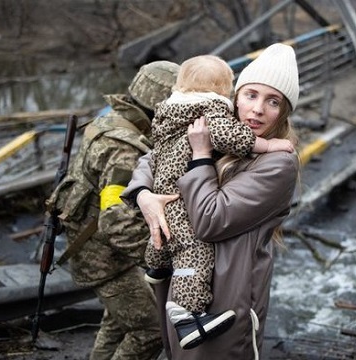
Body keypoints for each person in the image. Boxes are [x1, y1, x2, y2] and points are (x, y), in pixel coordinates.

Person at [121, 43, 300, 360]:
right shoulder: (217, 127)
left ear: (283, 112)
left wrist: (202, 156)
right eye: (251, 95)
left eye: (273, 102)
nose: (257, 109)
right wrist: (144, 196)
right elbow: (153, 159)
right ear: (234, 96)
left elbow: (210, 220)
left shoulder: (278, 164)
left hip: (227, 301)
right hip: (183, 285)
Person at [45, 60, 179, 360]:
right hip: (103, 256)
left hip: (101, 247)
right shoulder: (124, 150)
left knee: (120, 321)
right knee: (153, 330)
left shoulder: (112, 120)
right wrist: (163, 261)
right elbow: (116, 222)